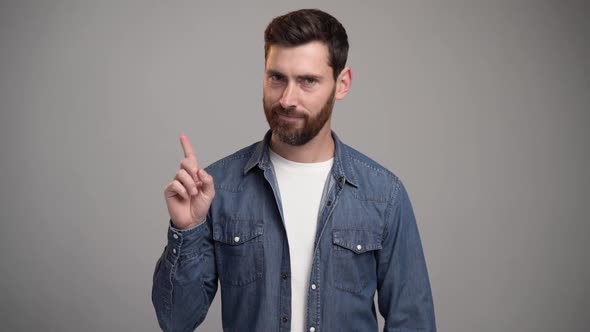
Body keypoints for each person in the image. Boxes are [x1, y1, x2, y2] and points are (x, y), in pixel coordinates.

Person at [152, 8, 436, 332]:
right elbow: (175, 321)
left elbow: (413, 322)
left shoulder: (384, 196)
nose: (287, 99)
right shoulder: (220, 189)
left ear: (341, 84)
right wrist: (187, 228)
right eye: (277, 78)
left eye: (307, 81)